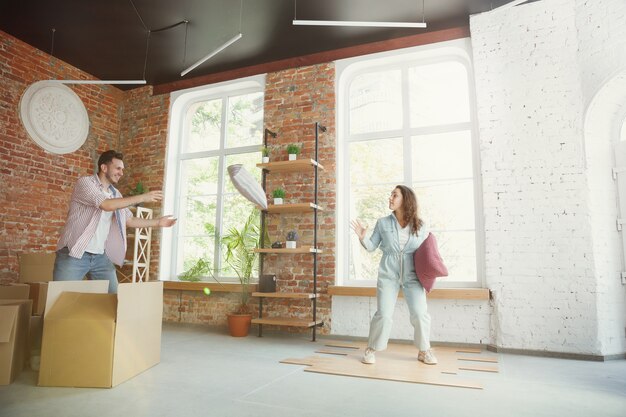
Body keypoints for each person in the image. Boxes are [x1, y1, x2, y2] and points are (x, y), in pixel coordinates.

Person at [53, 150, 177, 293]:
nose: (121, 173)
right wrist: (142, 197)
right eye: (118, 168)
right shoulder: (85, 183)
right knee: (58, 301)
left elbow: (129, 220)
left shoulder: (115, 194)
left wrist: (157, 223)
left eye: (122, 169)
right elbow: (106, 205)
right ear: (104, 168)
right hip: (74, 253)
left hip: (100, 256)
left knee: (114, 300)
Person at [350, 185, 437, 365]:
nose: (390, 198)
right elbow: (372, 247)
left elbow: (426, 253)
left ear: (405, 199)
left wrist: (430, 274)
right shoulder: (382, 223)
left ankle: (424, 350)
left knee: (420, 314)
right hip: (388, 274)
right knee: (383, 314)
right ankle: (371, 348)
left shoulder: (420, 225)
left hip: (412, 275)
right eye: (391, 195)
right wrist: (362, 237)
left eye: (394, 195)